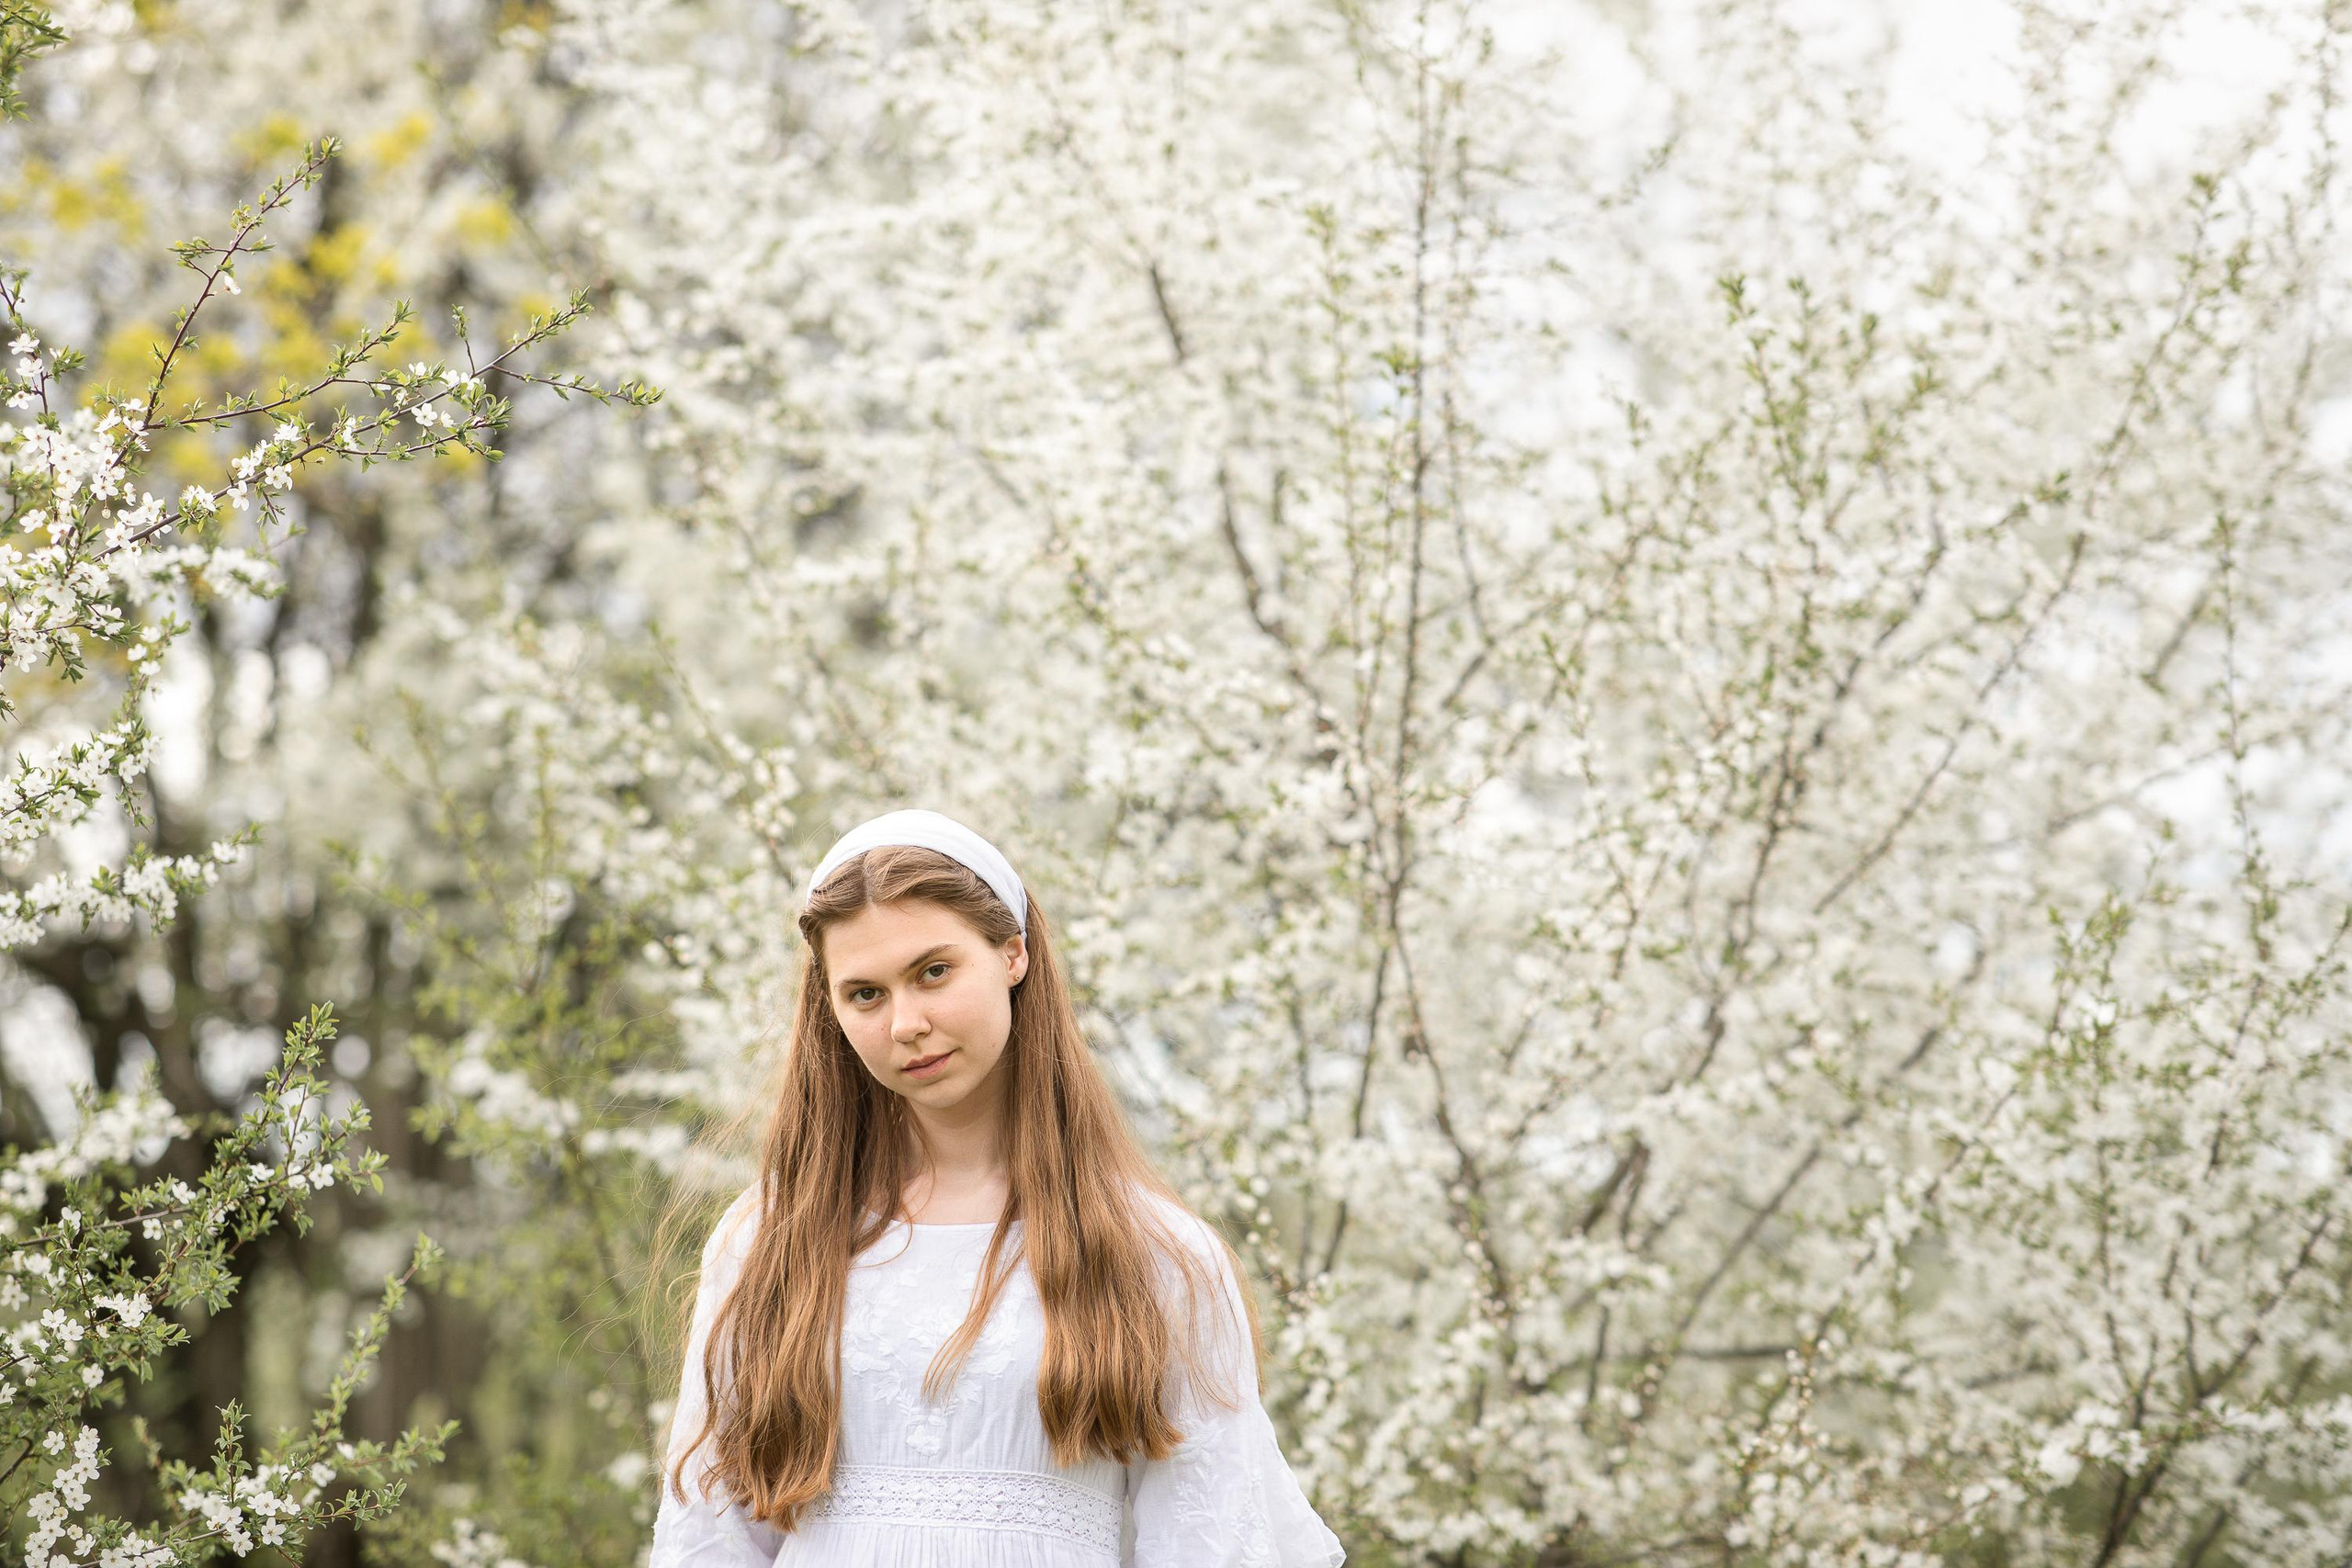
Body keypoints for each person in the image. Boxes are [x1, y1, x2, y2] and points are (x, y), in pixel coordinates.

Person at [648, 807, 1347, 1567]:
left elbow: (1210, 1543)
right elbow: (707, 1538)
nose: (906, 1021)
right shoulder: (768, 1240)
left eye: (933, 971)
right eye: (865, 994)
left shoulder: (1159, 1253)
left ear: (1012, 954)